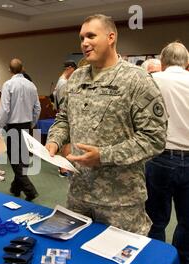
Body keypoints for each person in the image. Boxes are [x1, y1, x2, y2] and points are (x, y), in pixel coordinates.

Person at [45, 14, 167, 235]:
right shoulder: (77, 78)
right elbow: (64, 119)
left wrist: (104, 156)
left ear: (111, 37)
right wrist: (54, 141)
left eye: (91, 36)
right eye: (82, 38)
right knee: (77, 260)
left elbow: (154, 139)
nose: (84, 43)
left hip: (120, 202)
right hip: (79, 195)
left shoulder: (136, 79)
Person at [146, 42, 189, 264]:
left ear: (162, 62)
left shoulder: (153, 81)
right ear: (187, 62)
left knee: (156, 219)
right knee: (187, 220)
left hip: (160, 158)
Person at [0, 58, 41, 201]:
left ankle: (30, 190)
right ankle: (15, 187)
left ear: (9, 70)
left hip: (13, 127)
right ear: (23, 69)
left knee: (15, 160)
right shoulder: (31, 86)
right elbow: (37, 108)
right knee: (22, 158)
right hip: (26, 125)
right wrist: (32, 123)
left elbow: (4, 109)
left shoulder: (8, 85)